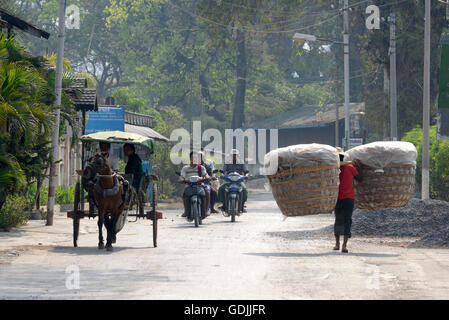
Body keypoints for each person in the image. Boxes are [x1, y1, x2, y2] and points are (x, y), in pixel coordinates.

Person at [334, 149, 362, 253]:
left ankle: (337, 244)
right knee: (347, 220)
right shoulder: (350, 167)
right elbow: (360, 178)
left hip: (337, 199)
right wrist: (359, 167)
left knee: (338, 220)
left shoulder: (333, 169)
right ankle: (344, 246)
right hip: (349, 199)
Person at [179, 151, 210, 219]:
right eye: (193, 158)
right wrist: (182, 179)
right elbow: (182, 176)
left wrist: (206, 177)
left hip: (200, 184)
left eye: (196, 158)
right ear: (190, 159)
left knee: (207, 191)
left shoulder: (201, 168)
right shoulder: (185, 168)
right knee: (184, 193)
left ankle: (206, 210)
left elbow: (206, 175)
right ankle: (186, 211)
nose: (195, 159)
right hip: (189, 185)